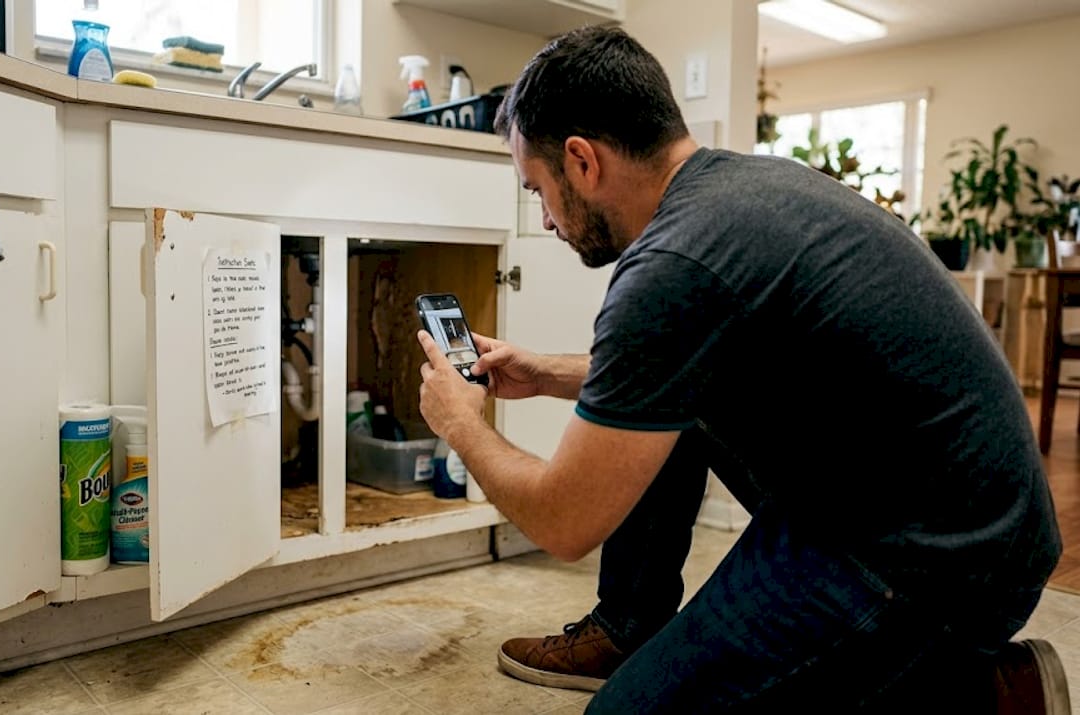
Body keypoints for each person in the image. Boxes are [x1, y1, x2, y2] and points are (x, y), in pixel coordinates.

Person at [415, 25, 1069, 714]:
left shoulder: (671, 268)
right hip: (963, 510)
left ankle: (983, 693)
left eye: (537, 188)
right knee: (674, 405)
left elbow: (562, 522)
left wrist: (462, 423)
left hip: (938, 558)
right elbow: (668, 367)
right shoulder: (743, 188)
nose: (543, 219)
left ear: (582, 161)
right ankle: (626, 628)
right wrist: (543, 372)